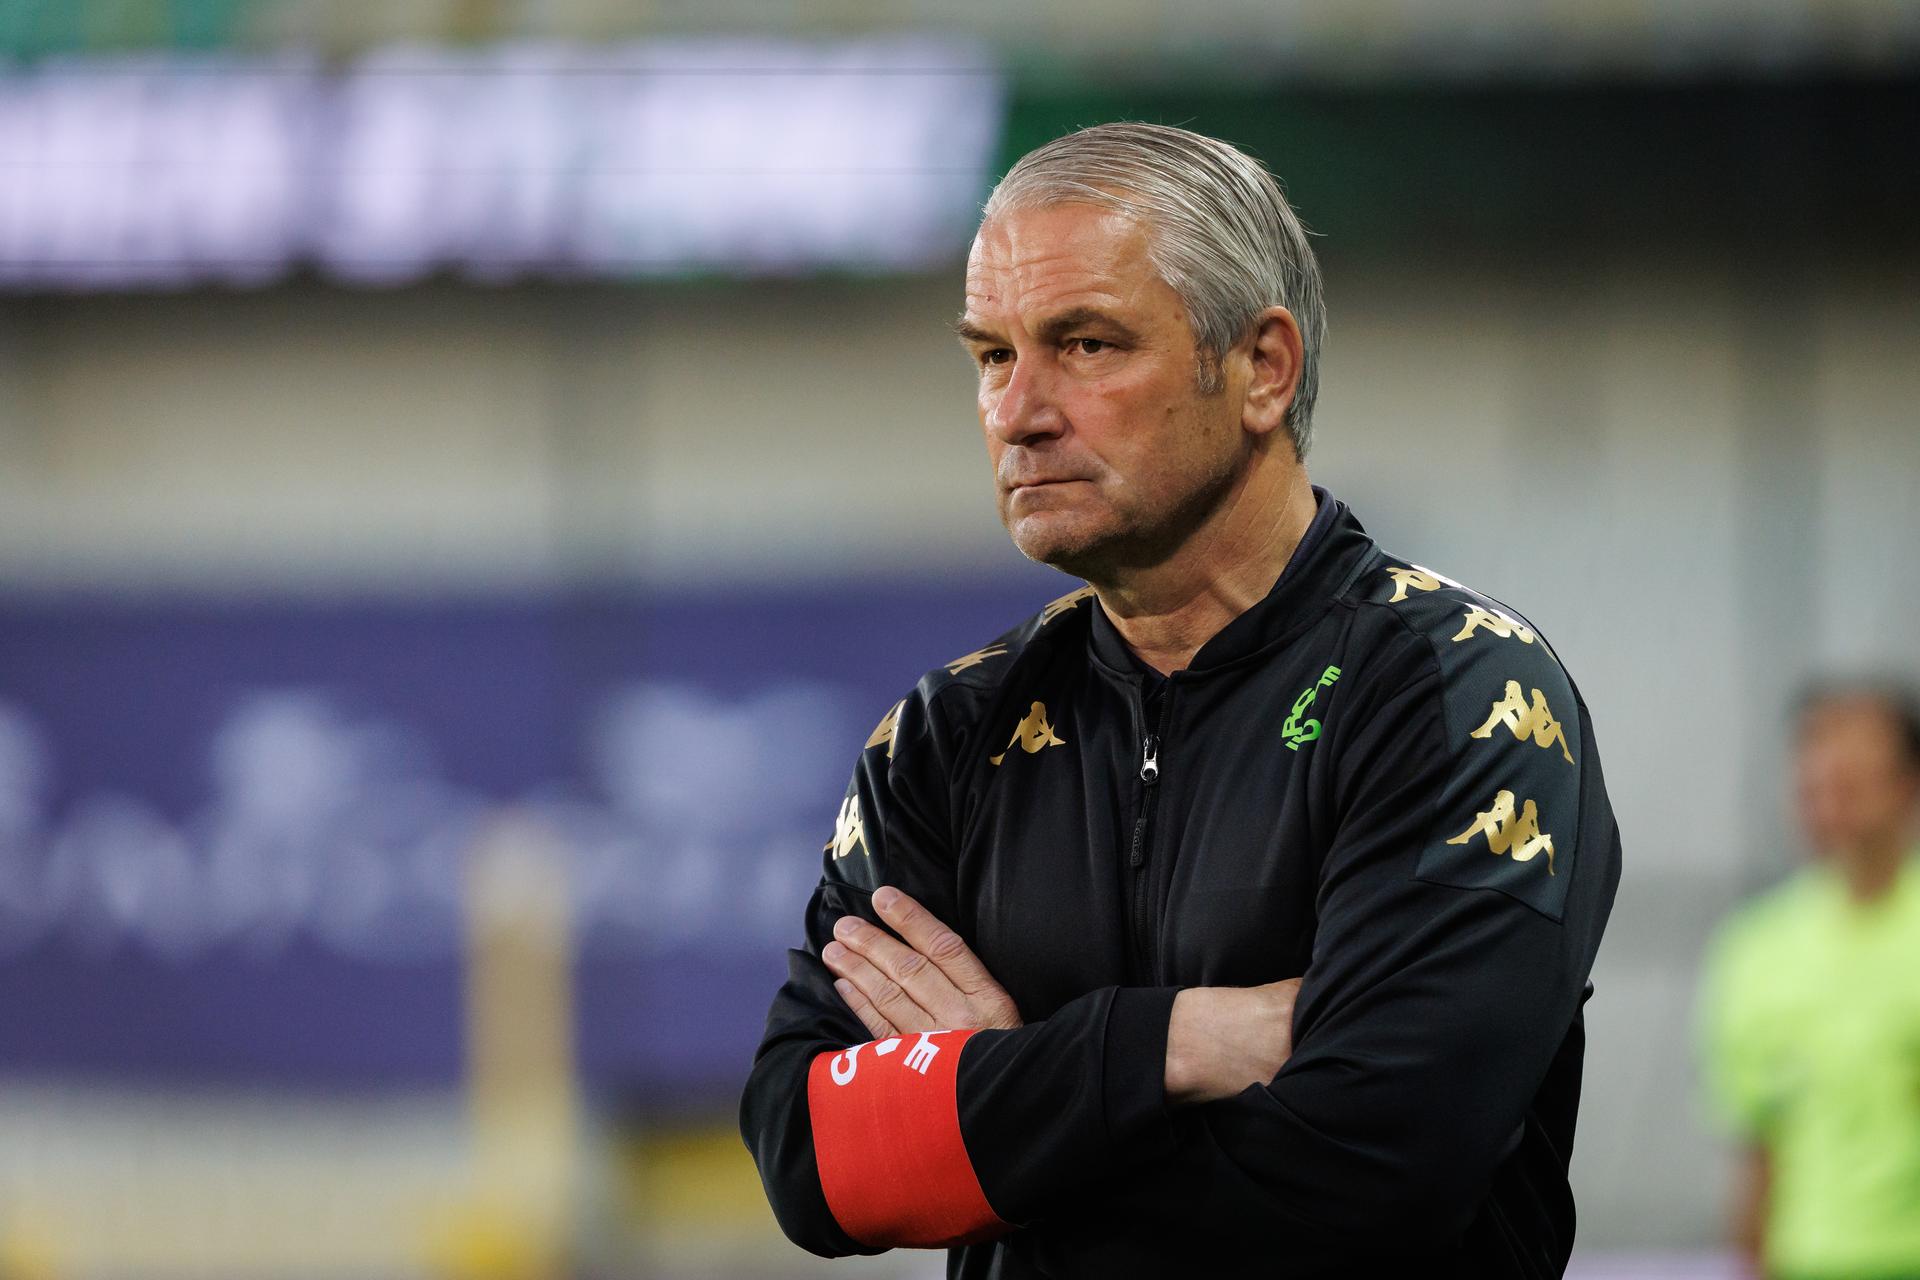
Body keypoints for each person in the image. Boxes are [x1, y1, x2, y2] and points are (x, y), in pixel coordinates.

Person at [740, 122, 1622, 1277]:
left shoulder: (1456, 689)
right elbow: (808, 1155)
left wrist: (995, 1090)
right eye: (992, 356)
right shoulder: (950, 732)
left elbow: (1367, 1178)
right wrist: (1167, 1045)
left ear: (1262, 367)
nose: (1017, 411)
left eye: (1087, 344)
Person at [1701, 682, 1920, 1280]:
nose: (1829, 806)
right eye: (1813, 786)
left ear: (1907, 787)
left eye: (1851, 783)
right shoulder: (1755, 949)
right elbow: (1757, 1153)